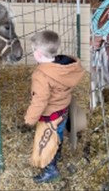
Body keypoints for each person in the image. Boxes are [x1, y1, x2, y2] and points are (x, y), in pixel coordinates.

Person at [24, 30, 85, 183]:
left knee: (46, 143)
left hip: (49, 117)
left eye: (33, 51)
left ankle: (51, 171)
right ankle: (57, 154)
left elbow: (40, 101)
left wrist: (29, 119)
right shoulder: (64, 68)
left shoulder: (41, 75)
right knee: (57, 136)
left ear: (37, 54)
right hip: (62, 111)